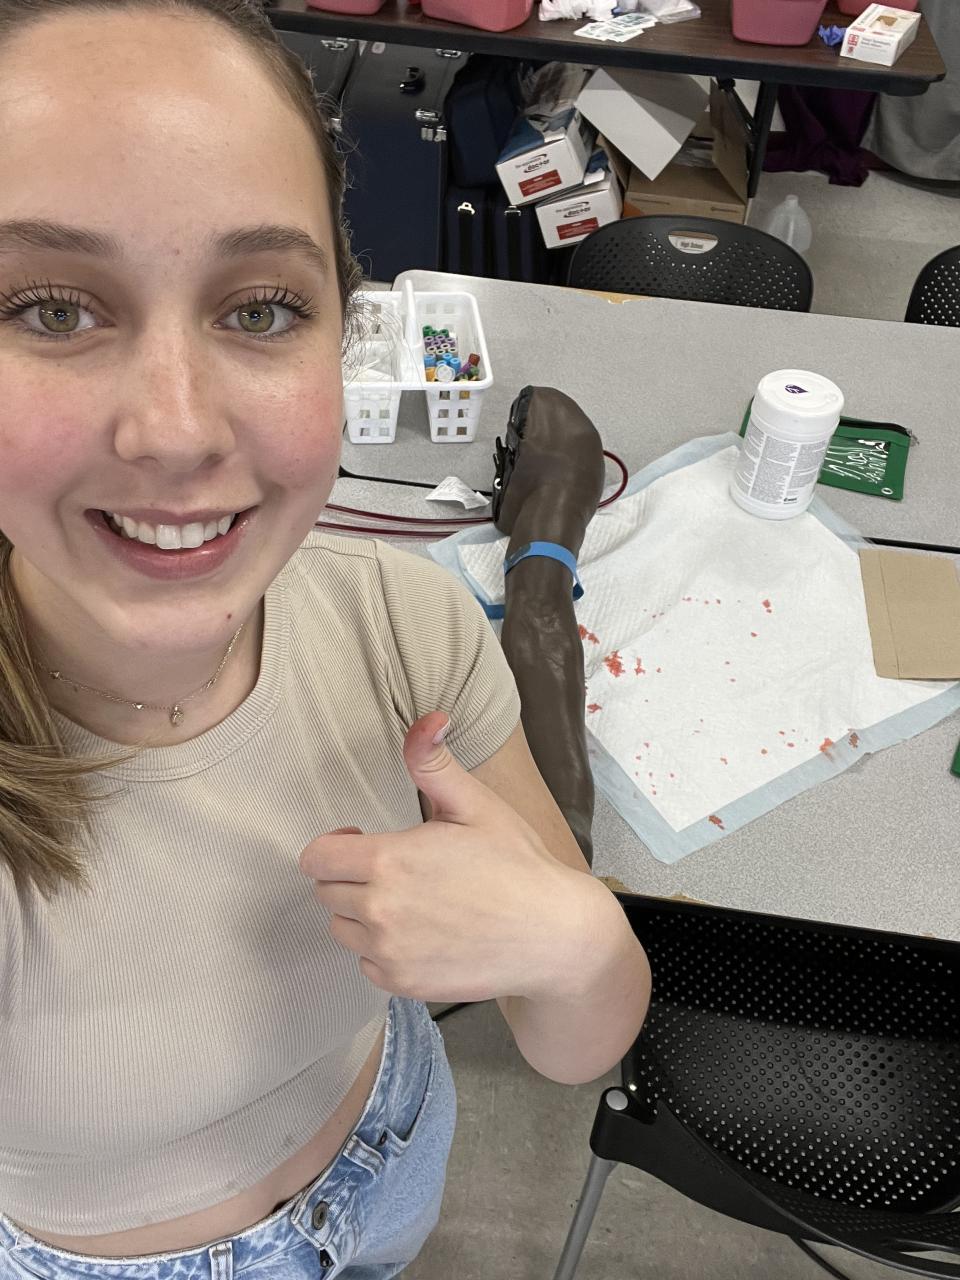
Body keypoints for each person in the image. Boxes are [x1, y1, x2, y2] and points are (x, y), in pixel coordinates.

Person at [0, 1, 651, 1276]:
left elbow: (579, 1037)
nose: (176, 431)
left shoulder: (401, 627)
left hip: (388, 1145)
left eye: (258, 310)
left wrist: (575, 935)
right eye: (54, 309)